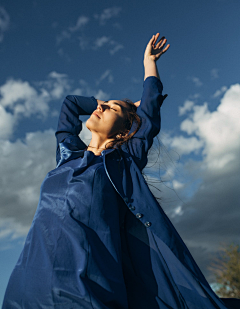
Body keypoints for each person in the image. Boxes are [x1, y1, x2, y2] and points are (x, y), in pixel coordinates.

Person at [2, 33, 239, 309]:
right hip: (26, 289)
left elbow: (148, 116)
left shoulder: (122, 163)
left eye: (111, 108)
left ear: (126, 132)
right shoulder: (67, 157)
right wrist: (103, 103)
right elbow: (69, 104)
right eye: (104, 105)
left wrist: (148, 65)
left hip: (85, 292)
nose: (102, 107)